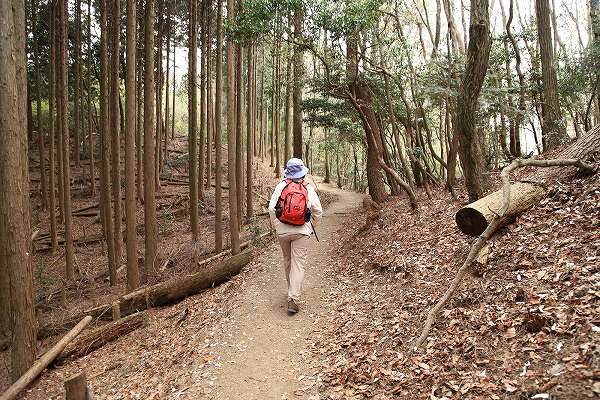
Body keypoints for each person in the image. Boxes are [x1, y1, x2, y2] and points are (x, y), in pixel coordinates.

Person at [268, 158, 323, 314]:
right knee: (298, 264)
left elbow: (272, 209)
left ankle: (290, 290)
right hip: (302, 231)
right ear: (302, 173)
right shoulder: (308, 188)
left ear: (288, 172)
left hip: (283, 230)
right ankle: (293, 298)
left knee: (288, 260)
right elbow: (318, 211)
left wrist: (277, 225)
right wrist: (313, 226)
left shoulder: (281, 186)